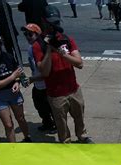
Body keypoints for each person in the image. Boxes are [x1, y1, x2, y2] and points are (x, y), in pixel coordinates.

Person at [33, 5, 94, 144]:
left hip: (73, 89)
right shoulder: (39, 45)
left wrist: (63, 54)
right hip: (56, 94)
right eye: (51, 23)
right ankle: (65, 141)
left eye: (56, 23)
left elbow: (79, 64)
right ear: (43, 21)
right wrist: (49, 49)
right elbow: (45, 71)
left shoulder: (67, 40)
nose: (54, 26)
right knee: (61, 122)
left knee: (79, 117)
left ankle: (82, 136)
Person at [0, 28, 31, 143]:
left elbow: (18, 75)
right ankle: (12, 148)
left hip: (13, 93)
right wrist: (13, 77)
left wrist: (17, 82)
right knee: (8, 125)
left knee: (21, 119)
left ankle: (27, 138)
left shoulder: (8, 56)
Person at [22, 23, 57, 133]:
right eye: (26, 34)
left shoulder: (39, 47)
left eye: (30, 34)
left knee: (49, 107)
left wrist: (32, 79)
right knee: (39, 105)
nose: (27, 36)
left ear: (37, 35)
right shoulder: (31, 48)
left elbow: (45, 71)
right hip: (38, 83)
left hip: (45, 83)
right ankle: (47, 123)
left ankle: (55, 124)